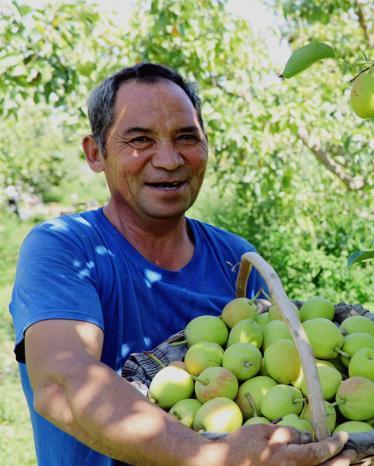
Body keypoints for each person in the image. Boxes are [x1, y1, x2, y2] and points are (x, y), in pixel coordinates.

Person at [9, 63, 350, 466]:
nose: (169, 160)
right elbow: (63, 383)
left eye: (187, 137)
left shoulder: (236, 260)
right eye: (140, 140)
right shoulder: (66, 249)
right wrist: (211, 457)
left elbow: (282, 379)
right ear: (95, 153)